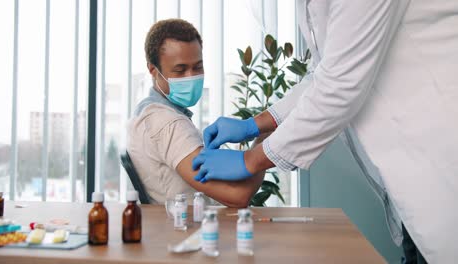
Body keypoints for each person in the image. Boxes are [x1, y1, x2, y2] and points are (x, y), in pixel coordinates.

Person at [192, 0, 458, 263]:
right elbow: (324, 74)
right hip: (414, 179)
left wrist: (251, 160)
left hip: (442, 155)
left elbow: (339, 85)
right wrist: (256, 124)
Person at [127, 19, 265, 207]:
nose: (191, 76)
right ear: (153, 70)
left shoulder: (147, 111)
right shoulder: (167, 123)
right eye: (180, 70)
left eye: (197, 67)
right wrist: (265, 138)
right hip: (193, 230)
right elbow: (238, 195)